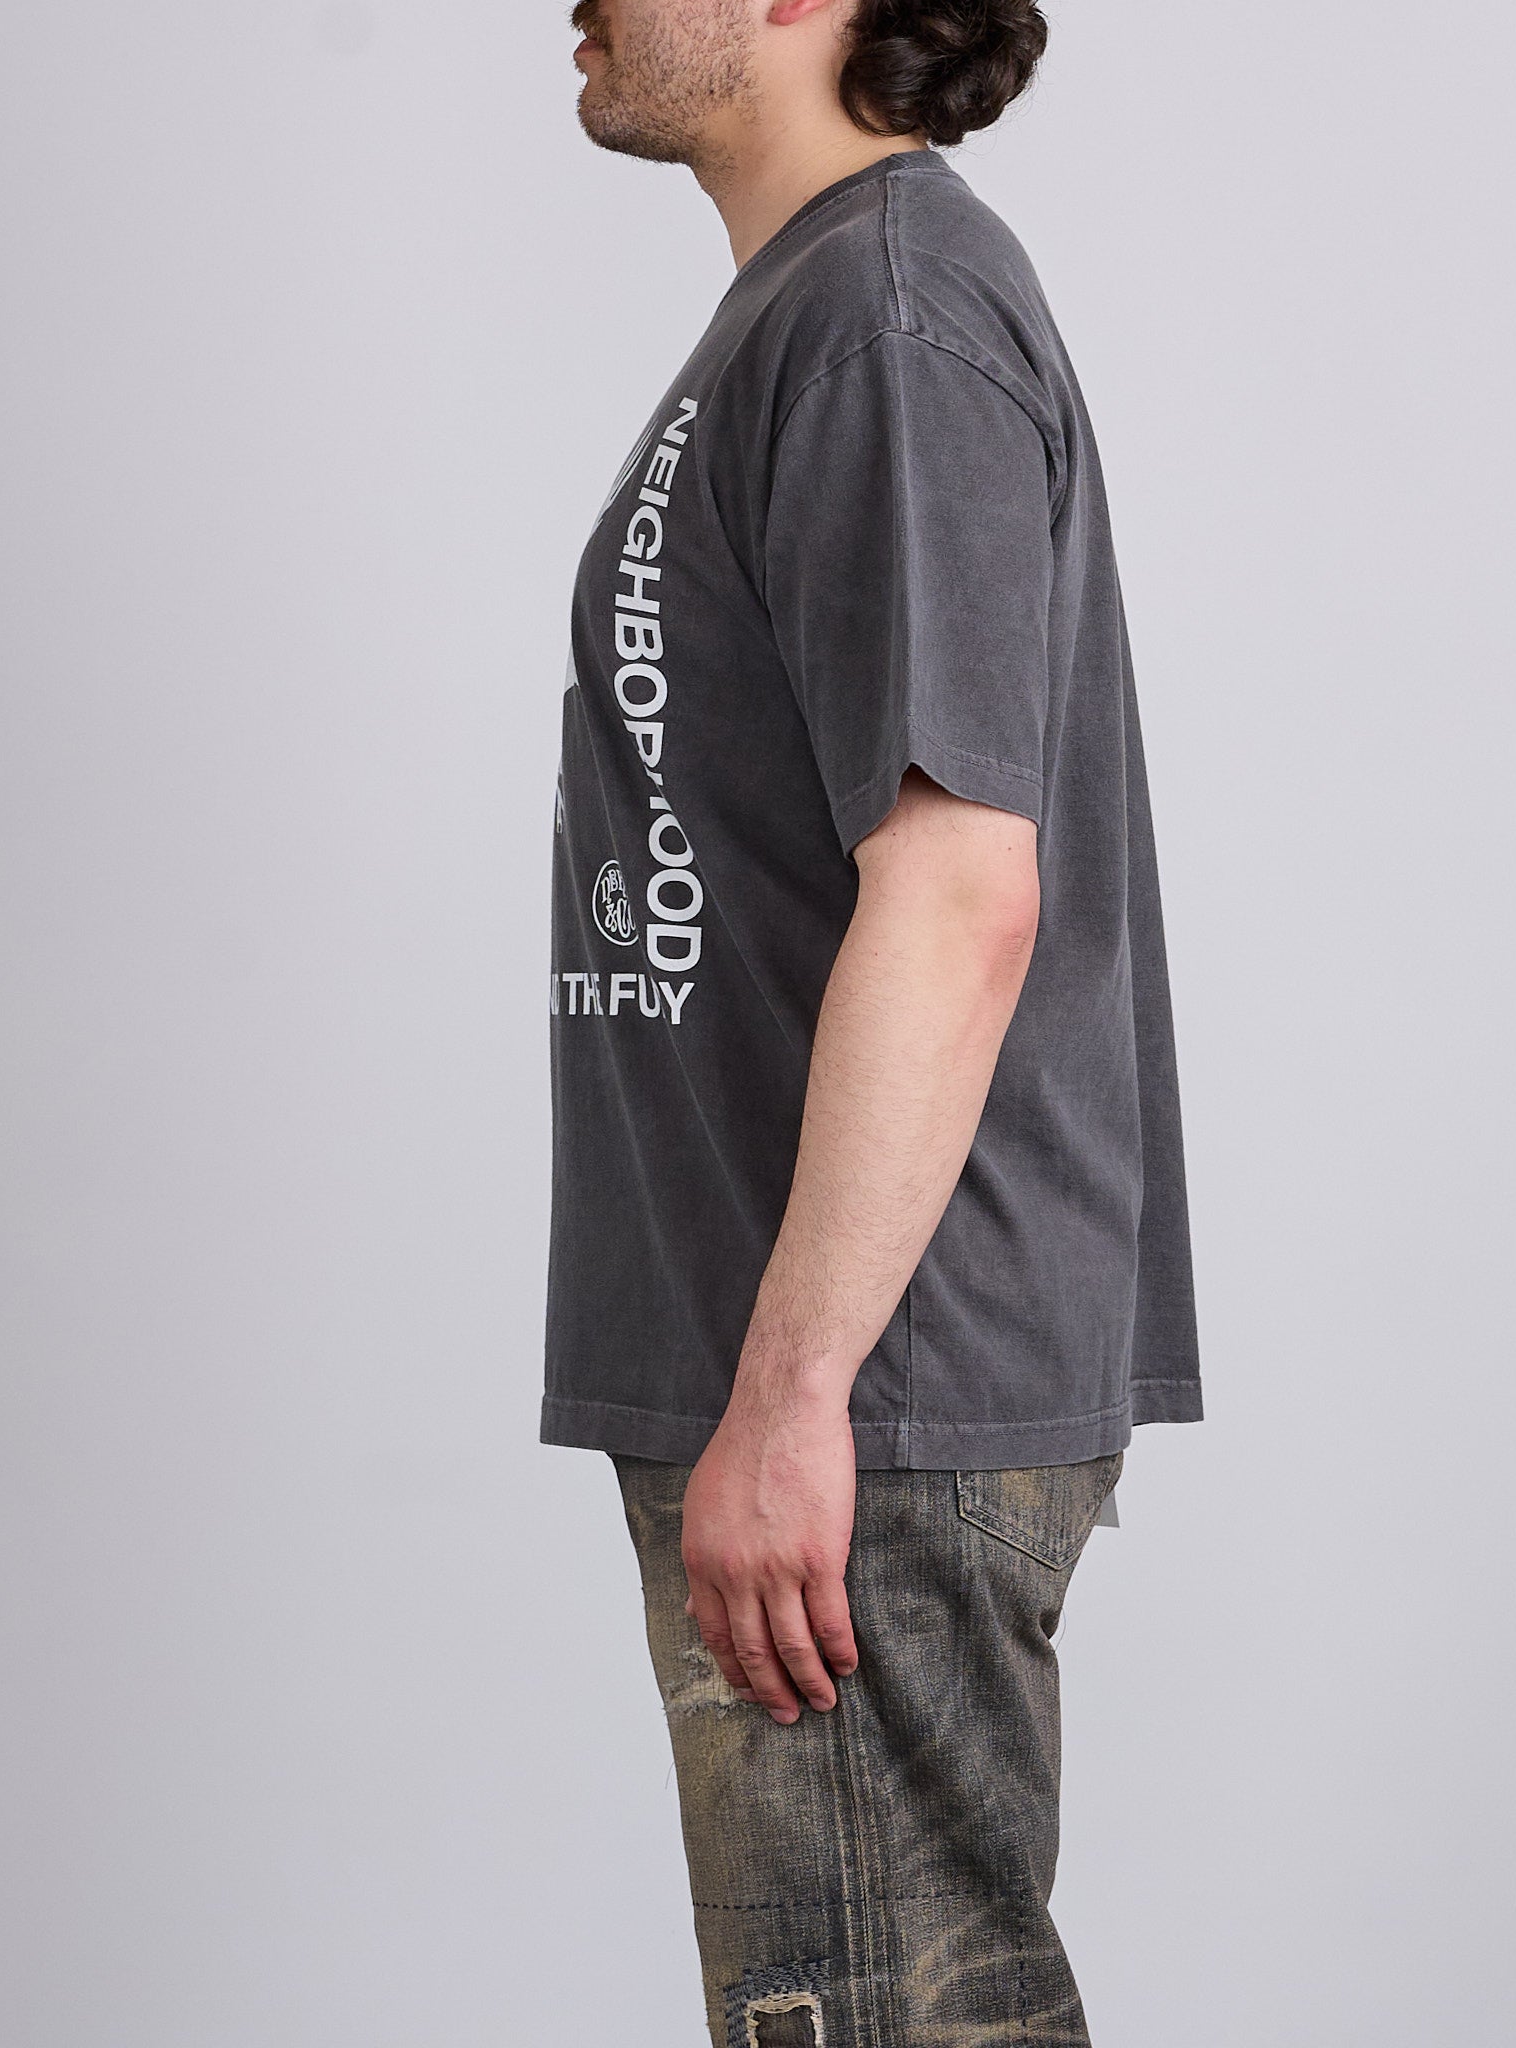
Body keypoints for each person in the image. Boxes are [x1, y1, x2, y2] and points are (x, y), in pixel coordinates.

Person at [543, 2, 1203, 2039]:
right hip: (825, 1373)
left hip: (866, 1395)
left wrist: (795, 1393)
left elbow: (958, 887)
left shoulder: (883, 317)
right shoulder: (824, 305)